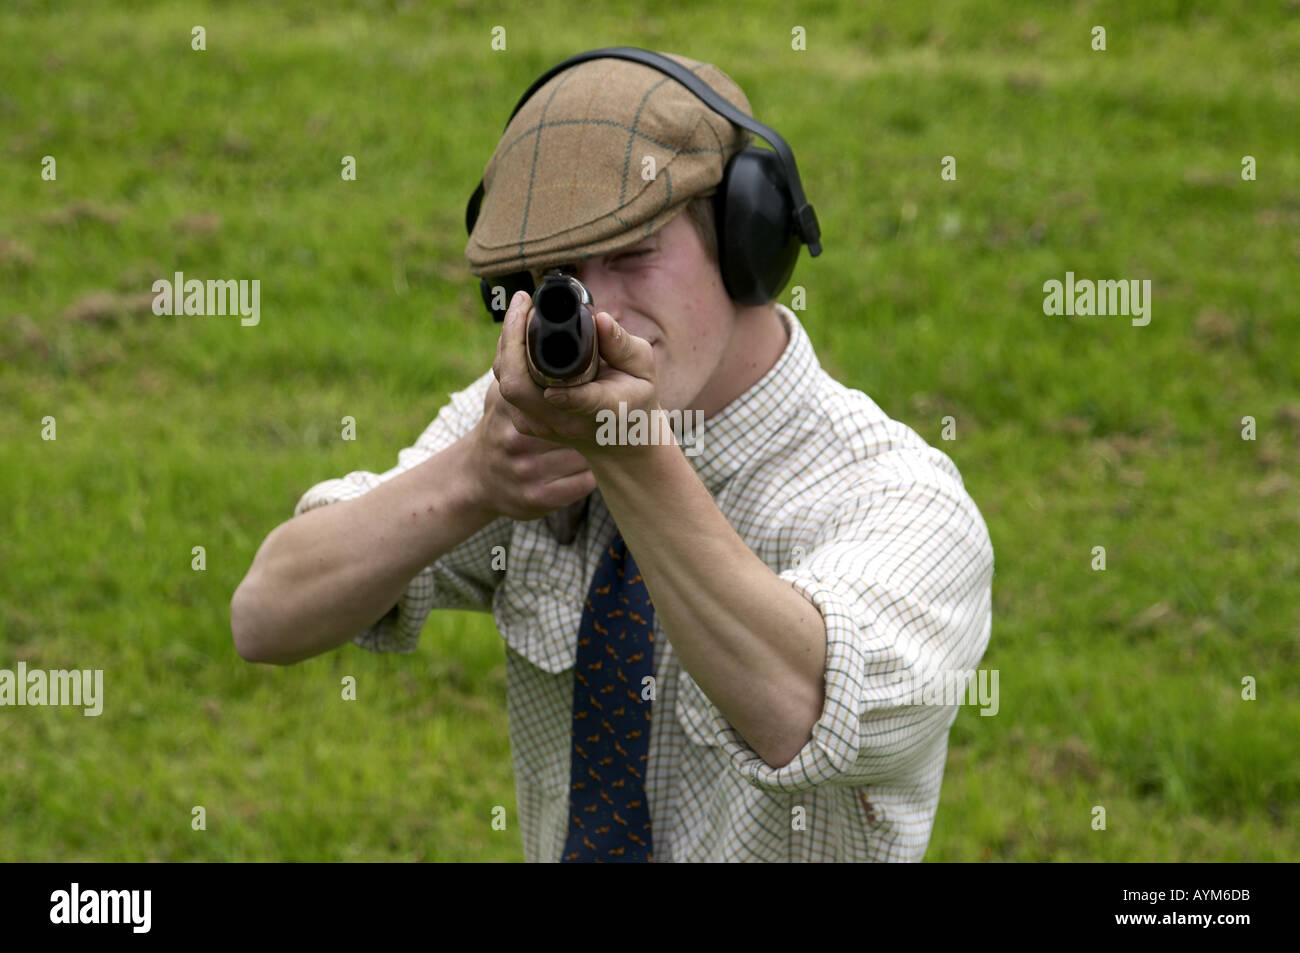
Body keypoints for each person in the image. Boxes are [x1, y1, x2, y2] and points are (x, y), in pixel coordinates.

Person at [230, 50, 994, 862]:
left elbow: (797, 710)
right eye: (560, 276)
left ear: (748, 242)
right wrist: (471, 480)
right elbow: (267, 614)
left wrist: (629, 454)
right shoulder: (527, 428)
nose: (600, 311)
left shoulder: (899, 499)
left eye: (633, 253)